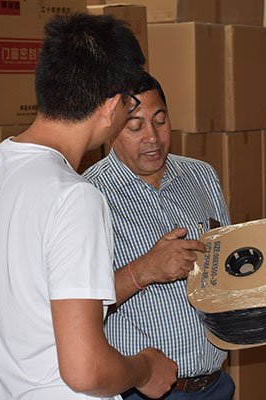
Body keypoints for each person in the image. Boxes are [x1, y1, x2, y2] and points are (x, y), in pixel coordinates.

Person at [0, 13, 177, 400]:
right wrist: (144, 368)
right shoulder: (75, 198)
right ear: (110, 106)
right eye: (129, 103)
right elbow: (85, 370)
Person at [83, 72, 235, 400]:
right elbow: (77, 308)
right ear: (110, 129)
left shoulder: (201, 175)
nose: (152, 137)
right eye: (135, 126)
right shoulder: (89, 196)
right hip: (141, 392)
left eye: (160, 121)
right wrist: (146, 269)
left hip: (215, 384)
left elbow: (225, 267)